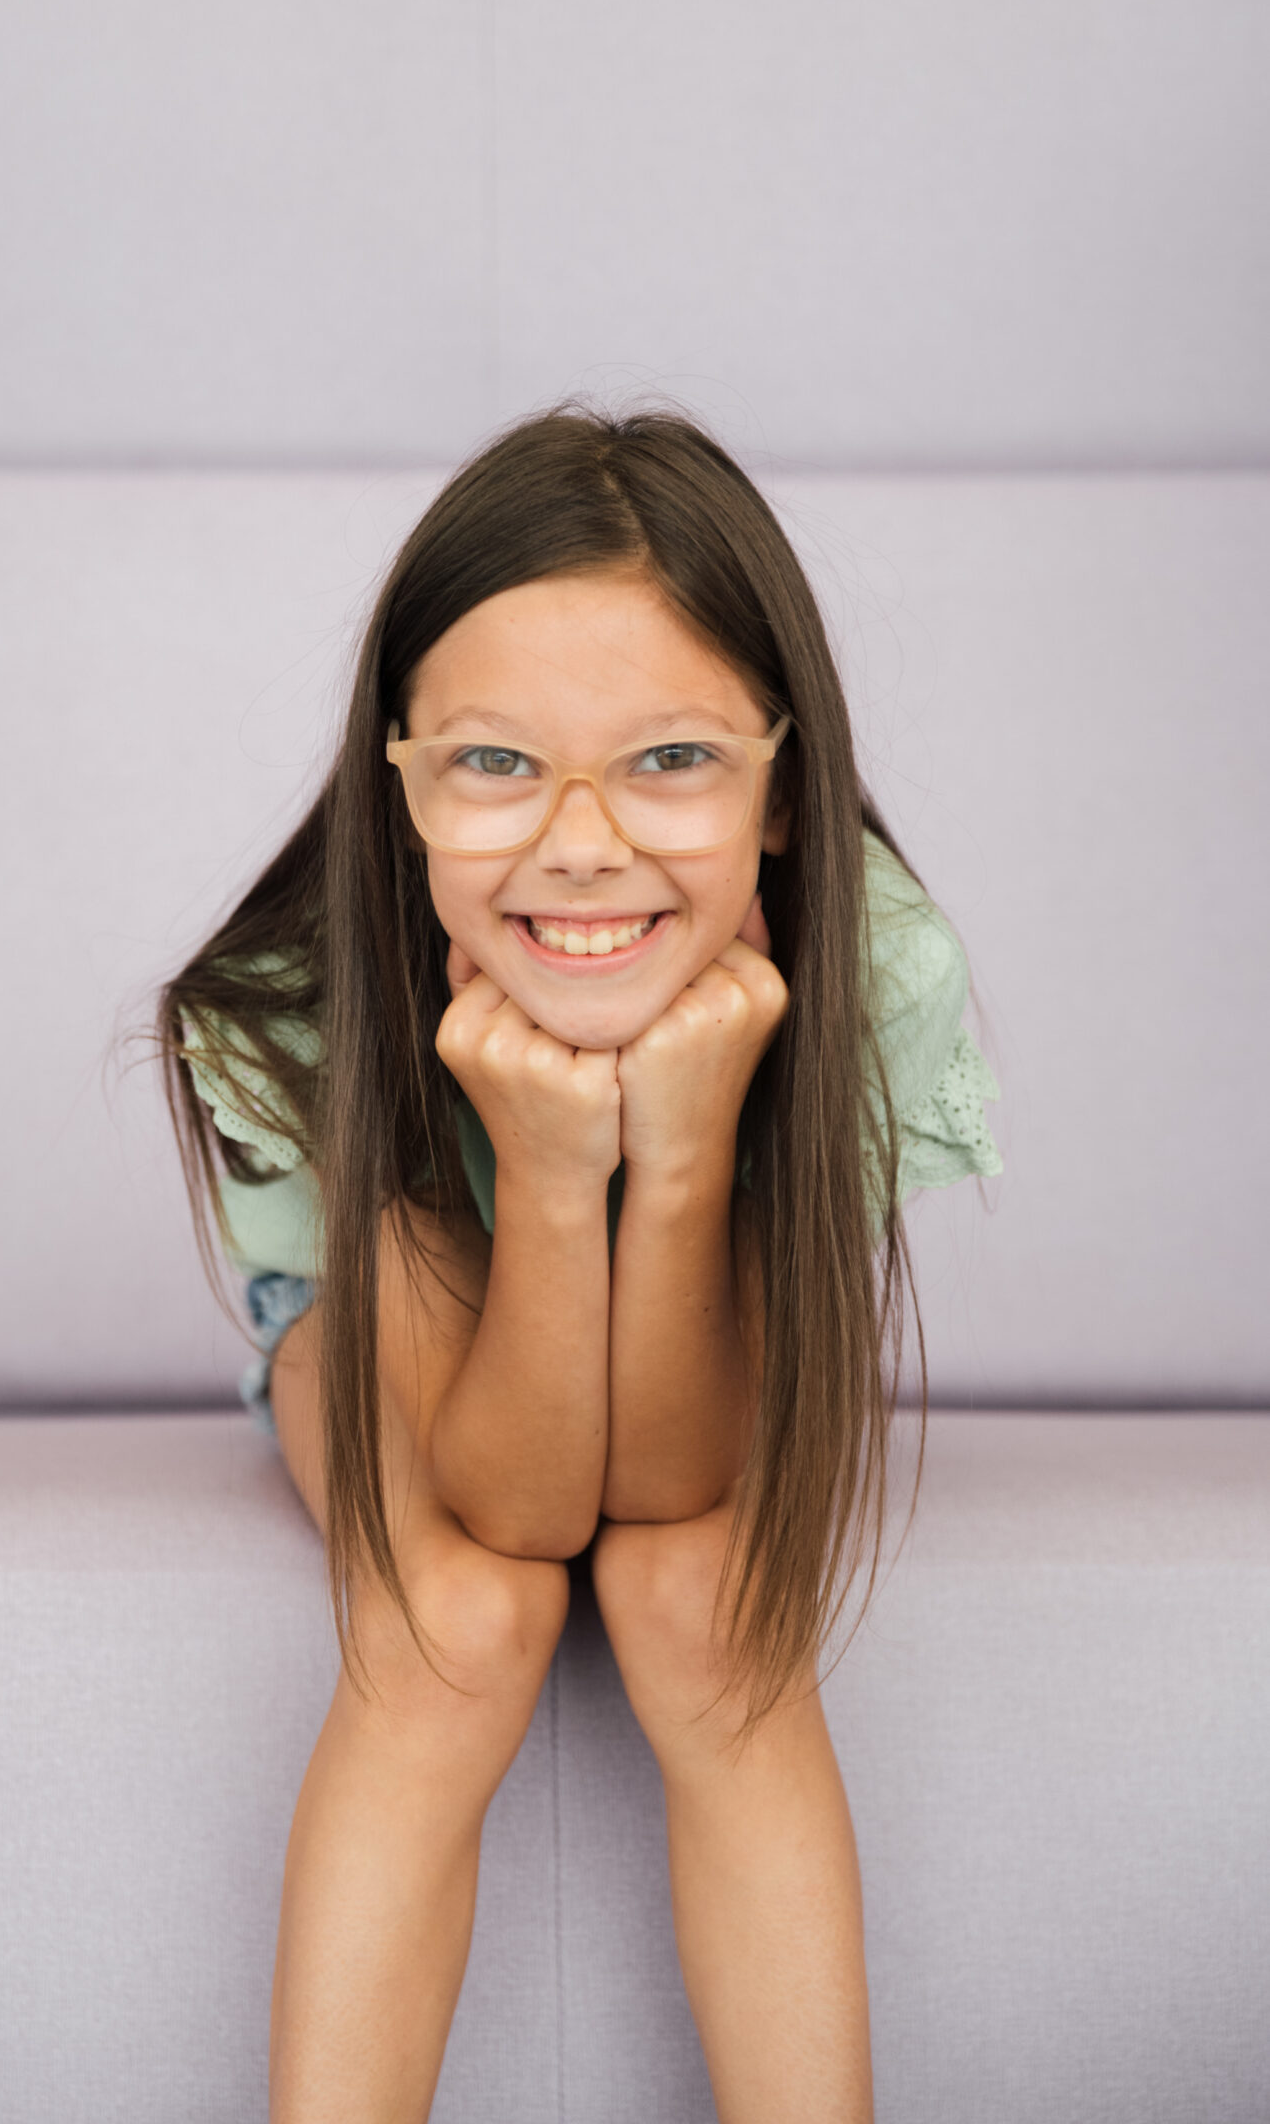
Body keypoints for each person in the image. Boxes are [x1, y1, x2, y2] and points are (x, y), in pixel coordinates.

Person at [158, 404, 1000, 2123]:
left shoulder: (875, 963)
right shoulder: (310, 1007)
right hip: (392, 1322)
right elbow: (522, 1510)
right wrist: (548, 1172)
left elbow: (673, 1477)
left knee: (709, 1606)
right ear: (399, 783)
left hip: (722, 1322)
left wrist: (682, 1160)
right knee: (451, 1618)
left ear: (782, 783)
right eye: (495, 763)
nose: (584, 840)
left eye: (673, 760)